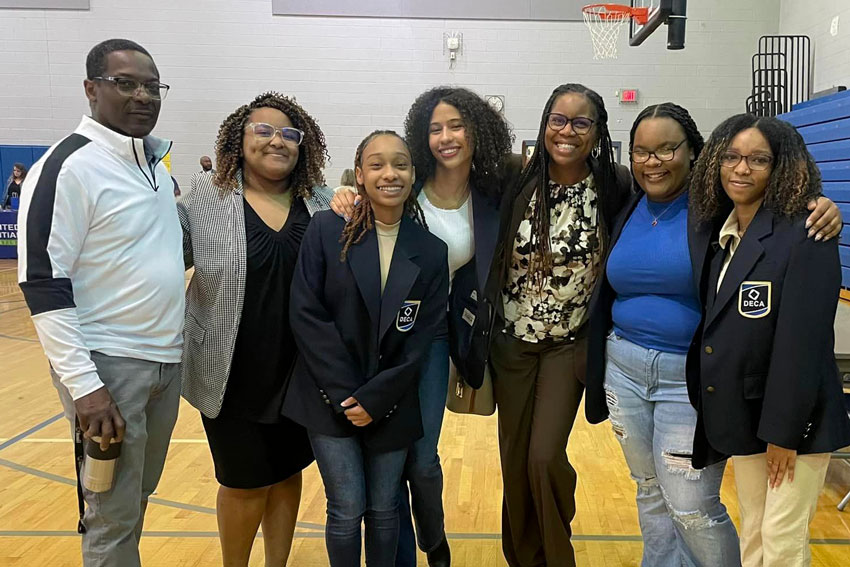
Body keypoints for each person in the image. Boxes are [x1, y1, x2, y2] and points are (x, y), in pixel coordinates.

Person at [331, 86, 518, 567]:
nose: (446, 137)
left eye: (455, 125)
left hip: (436, 336)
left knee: (421, 457)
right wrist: (344, 190)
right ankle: (400, 558)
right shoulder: (406, 188)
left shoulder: (494, 194)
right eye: (435, 129)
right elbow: (363, 194)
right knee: (387, 458)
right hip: (381, 336)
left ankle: (434, 541)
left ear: (477, 130)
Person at [16, 39, 182, 567]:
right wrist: (86, 389)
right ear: (91, 89)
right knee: (109, 515)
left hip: (165, 364)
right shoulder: (67, 166)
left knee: (135, 501)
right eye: (126, 83)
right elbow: (42, 282)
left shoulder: (156, 166)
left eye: (152, 86)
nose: (142, 96)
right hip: (107, 370)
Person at [469, 83, 633, 566]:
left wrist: (807, 204)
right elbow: (446, 181)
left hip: (569, 346)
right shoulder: (514, 175)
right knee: (515, 461)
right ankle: (523, 556)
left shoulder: (615, 183)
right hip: (510, 344)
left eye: (581, 122)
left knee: (544, 456)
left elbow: (683, 191)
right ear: (543, 124)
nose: (567, 131)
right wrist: (349, 191)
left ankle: (557, 556)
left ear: (598, 131)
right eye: (558, 120)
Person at [688, 114, 850, 567]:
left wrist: (785, 435)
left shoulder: (807, 232)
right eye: (732, 157)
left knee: (781, 543)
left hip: (794, 424)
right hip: (747, 413)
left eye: (758, 160)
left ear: (781, 167)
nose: (741, 169)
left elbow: (803, 344)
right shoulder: (721, 230)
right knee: (755, 536)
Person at [178, 91, 331, 567]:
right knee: (243, 481)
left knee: (287, 472)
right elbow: (161, 265)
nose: (276, 141)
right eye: (262, 131)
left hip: (300, 371)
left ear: (302, 145)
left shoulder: (324, 201)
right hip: (231, 369)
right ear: (238, 140)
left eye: (288, 133)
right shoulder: (206, 197)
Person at [284, 130, 449, 567]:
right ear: (359, 175)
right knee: (346, 509)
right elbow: (306, 314)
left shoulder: (431, 252)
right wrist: (345, 393)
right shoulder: (325, 230)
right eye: (376, 165)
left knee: (383, 510)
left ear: (413, 175)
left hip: (391, 401)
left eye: (400, 164)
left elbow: (420, 341)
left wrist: (376, 397)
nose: (389, 173)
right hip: (328, 396)